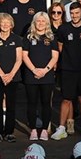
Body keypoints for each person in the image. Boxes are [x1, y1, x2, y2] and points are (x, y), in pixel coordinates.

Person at [51, 3, 81, 140]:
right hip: (67, 69)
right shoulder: (63, 29)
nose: (75, 16)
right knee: (66, 99)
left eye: (77, 13)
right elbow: (60, 47)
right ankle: (61, 128)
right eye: (72, 13)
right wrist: (59, 63)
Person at [22, 11, 58, 142]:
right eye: (38, 21)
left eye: (43, 21)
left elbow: (55, 56)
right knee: (32, 103)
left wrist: (45, 70)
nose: (41, 23)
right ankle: (32, 130)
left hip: (47, 76)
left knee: (46, 103)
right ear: (34, 22)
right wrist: (34, 70)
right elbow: (24, 55)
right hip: (31, 75)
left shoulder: (52, 37)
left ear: (47, 23)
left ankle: (44, 130)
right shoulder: (28, 37)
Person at [0, 13, 23, 143]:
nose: (5, 25)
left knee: (11, 105)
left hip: (13, 77)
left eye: (8, 22)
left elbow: (19, 59)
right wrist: (2, 75)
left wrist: (11, 75)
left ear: (11, 25)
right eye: (3, 22)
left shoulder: (17, 39)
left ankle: (9, 132)